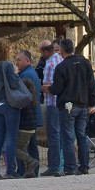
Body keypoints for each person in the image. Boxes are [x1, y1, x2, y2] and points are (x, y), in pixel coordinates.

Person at [49, 37, 95, 176]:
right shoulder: (85, 63)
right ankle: (84, 166)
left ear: (62, 50)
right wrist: (92, 102)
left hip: (67, 106)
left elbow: (57, 88)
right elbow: (92, 85)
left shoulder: (61, 67)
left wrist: (48, 89)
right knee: (82, 136)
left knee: (68, 138)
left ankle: (70, 167)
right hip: (83, 105)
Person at [15, 50, 43, 176]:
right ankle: (31, 170)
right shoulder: (31, 73)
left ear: (27, 60)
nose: (17, 62)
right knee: (30, 145)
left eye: (19, 59)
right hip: (33, 117)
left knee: (23, 147)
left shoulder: (25, 75)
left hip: (27, 119)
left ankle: (24, 170)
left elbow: (22, 96)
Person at [39, 39, 64, 176]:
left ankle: (54, 166)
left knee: (53, 136)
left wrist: (39, 87)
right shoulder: (60, 60)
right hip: (62, 104)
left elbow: (49, 87)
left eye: (41, 53)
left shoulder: (50, 64)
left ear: (45, 51)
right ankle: (61, 164)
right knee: (62, 135)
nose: (41, 56)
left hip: (52, 103)